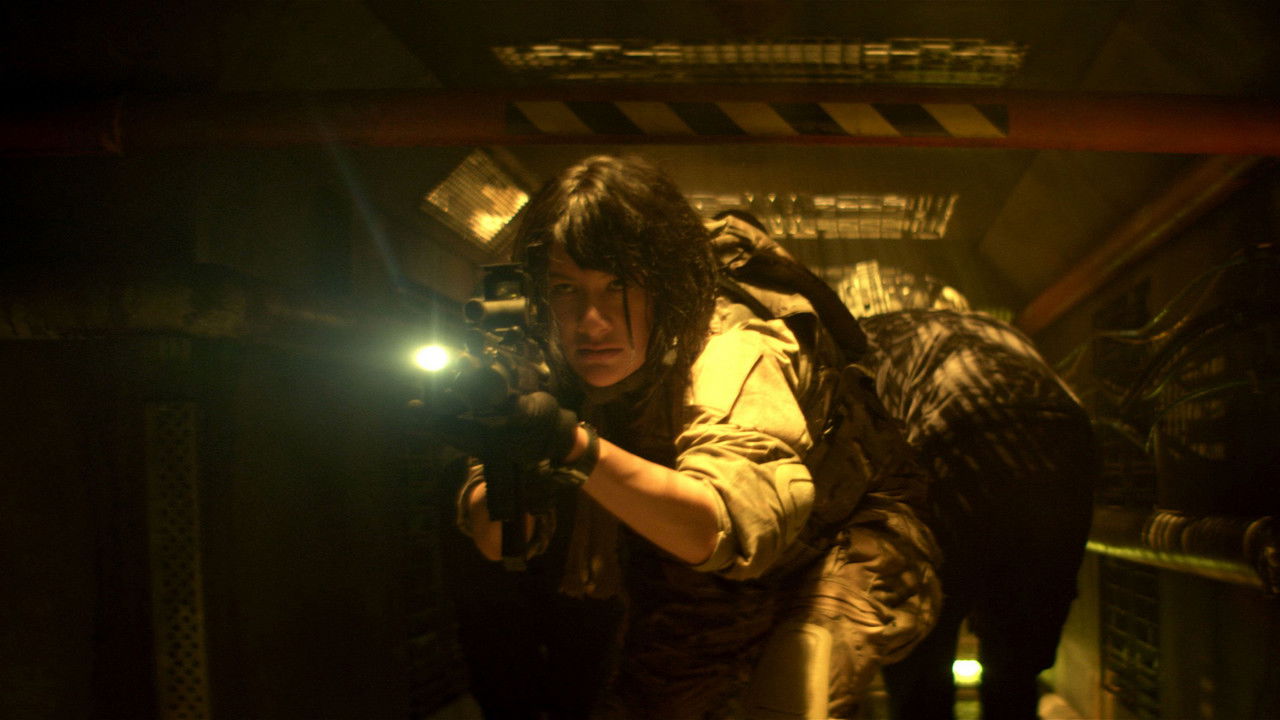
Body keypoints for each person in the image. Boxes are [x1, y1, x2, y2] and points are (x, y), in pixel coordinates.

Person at [436, 155, 941, 719]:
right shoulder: (542, 359)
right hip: (699, 577)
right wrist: (504, 455)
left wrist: (568, 446)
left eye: (619, 285)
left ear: (665, 287)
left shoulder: (732, 347)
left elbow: (726, 525)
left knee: (788, 697)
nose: (591, 322)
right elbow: (503, 543)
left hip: (845, 548)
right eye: (565, 289)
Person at [860, 309, 1098, 720]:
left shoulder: (871, 338)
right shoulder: (988, 329)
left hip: (954, 432)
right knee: (1017, 658)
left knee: (923, 639)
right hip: (1067, 437)